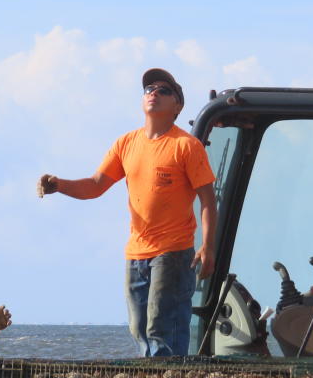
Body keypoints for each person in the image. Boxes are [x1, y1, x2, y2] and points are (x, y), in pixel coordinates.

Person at [37, 68, 217, 357]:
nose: (154, 93)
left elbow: (208, 200)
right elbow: (95, 186)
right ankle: (155, 370)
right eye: (149, 89)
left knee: (162, 325)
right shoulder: (126, 143)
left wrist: (208, 247)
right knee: (138, 326)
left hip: (172, 250)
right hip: (136, 252)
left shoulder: (186, 146)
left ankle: (167, 372)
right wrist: (59, 185)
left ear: (177, 106)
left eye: (164, 90)